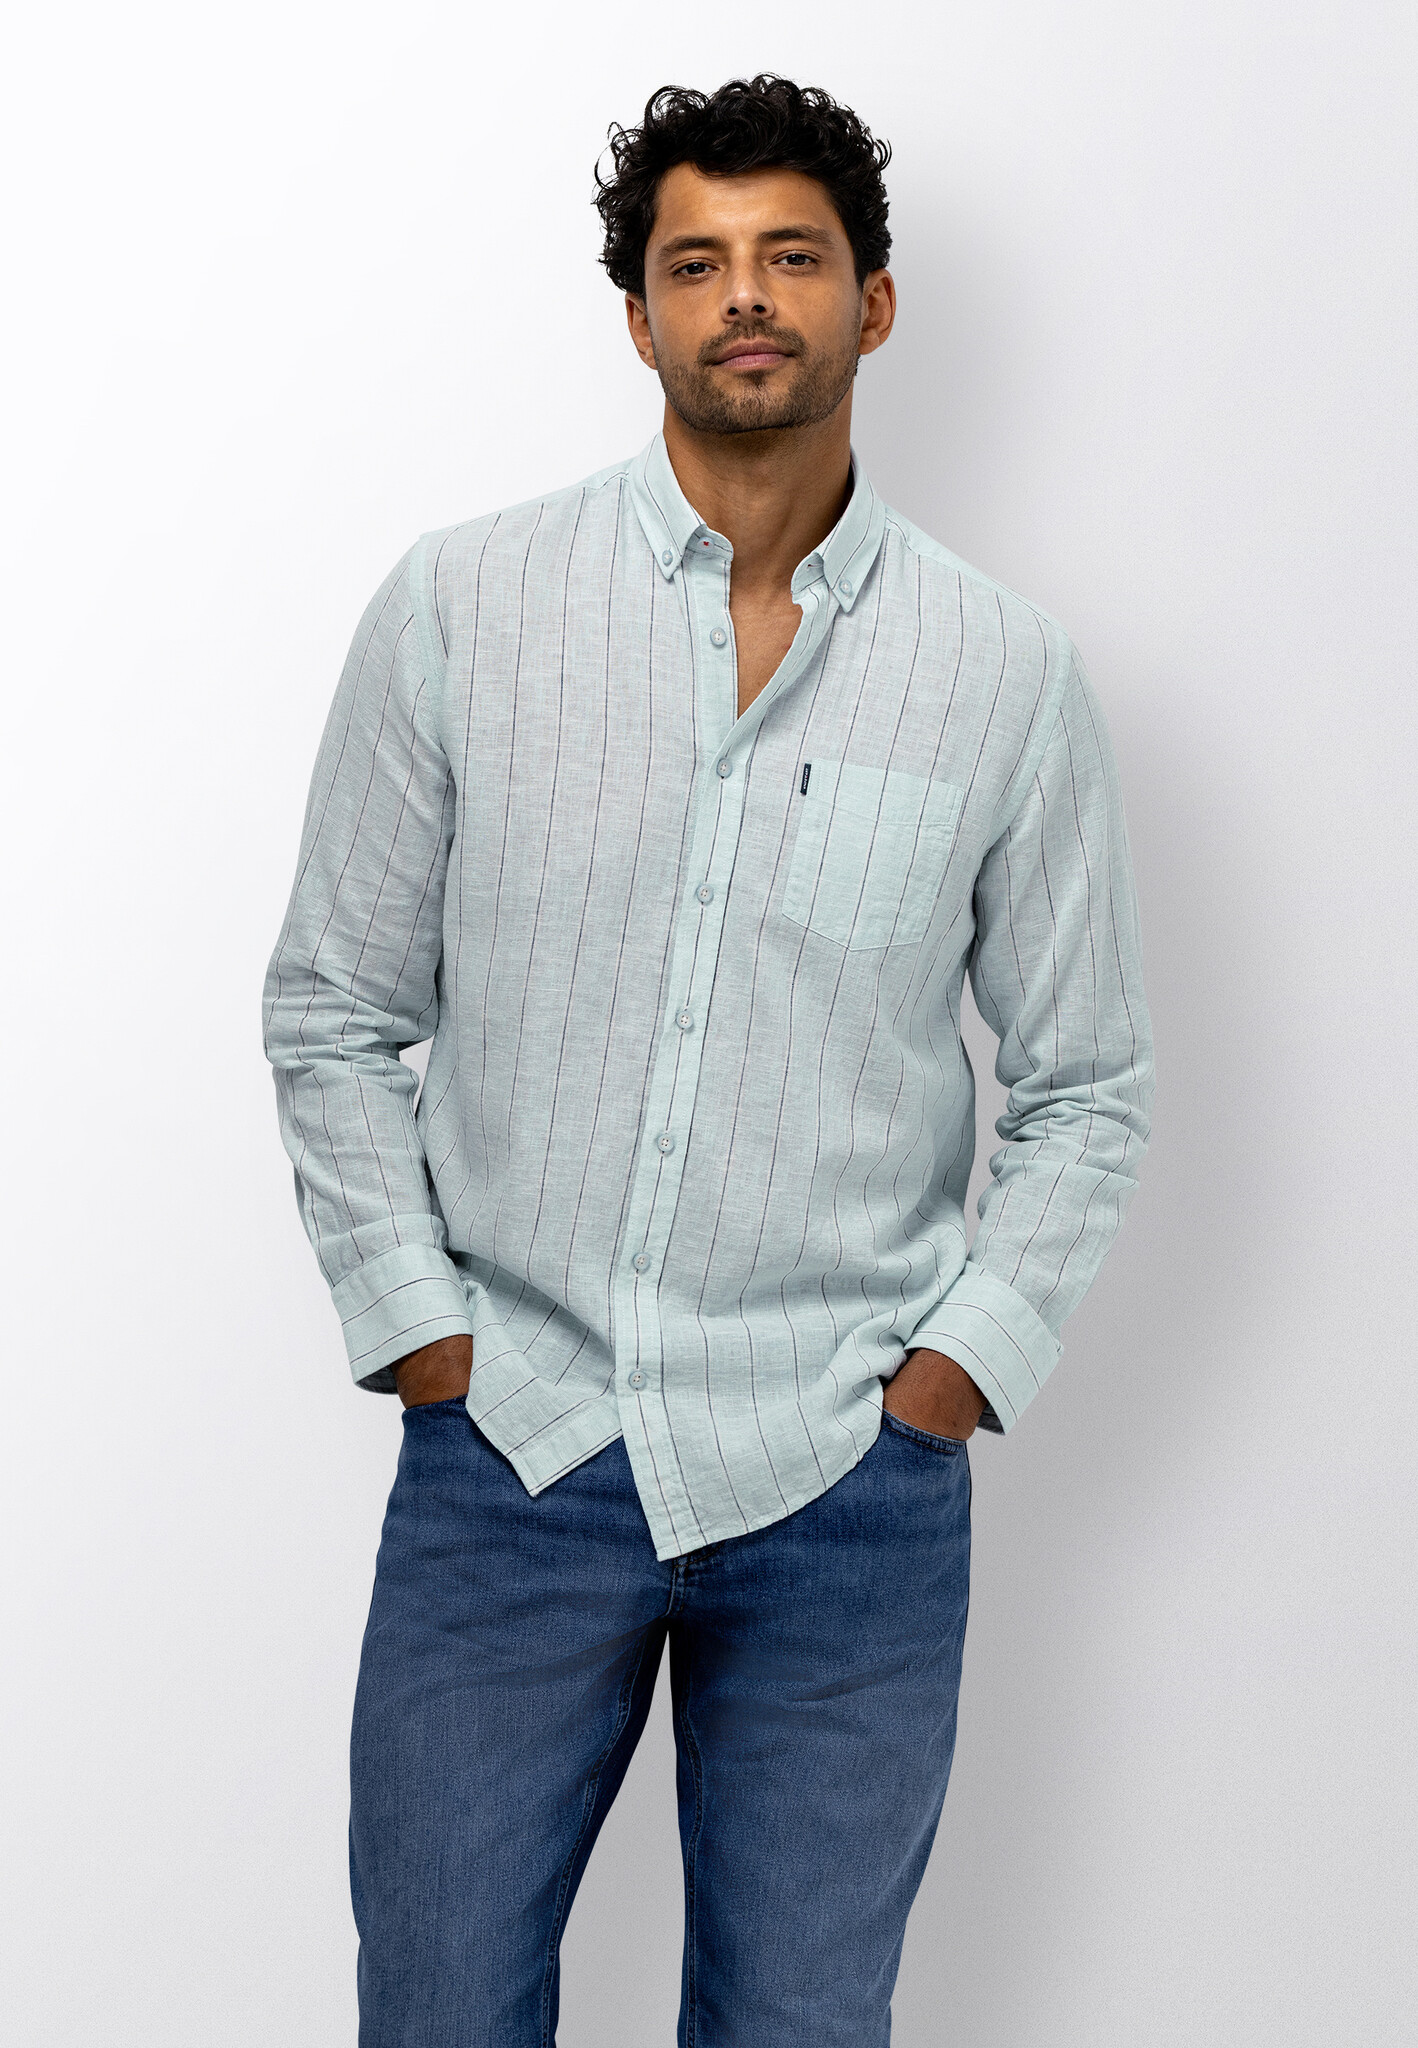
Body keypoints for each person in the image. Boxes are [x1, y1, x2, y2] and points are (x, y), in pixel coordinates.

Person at [263, 73, 1154, 2048]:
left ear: (872, 303)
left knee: (799, 2031)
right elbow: (331, 1004)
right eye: (696, 263)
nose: (744, 296)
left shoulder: (1000, 673)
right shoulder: (461, 609)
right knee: (438, 2014)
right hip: (515, 1447)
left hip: (848, 1477)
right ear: (639, 315)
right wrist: (423, 1332)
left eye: (790, 258)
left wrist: (950, 1377)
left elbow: (1085, 1081)